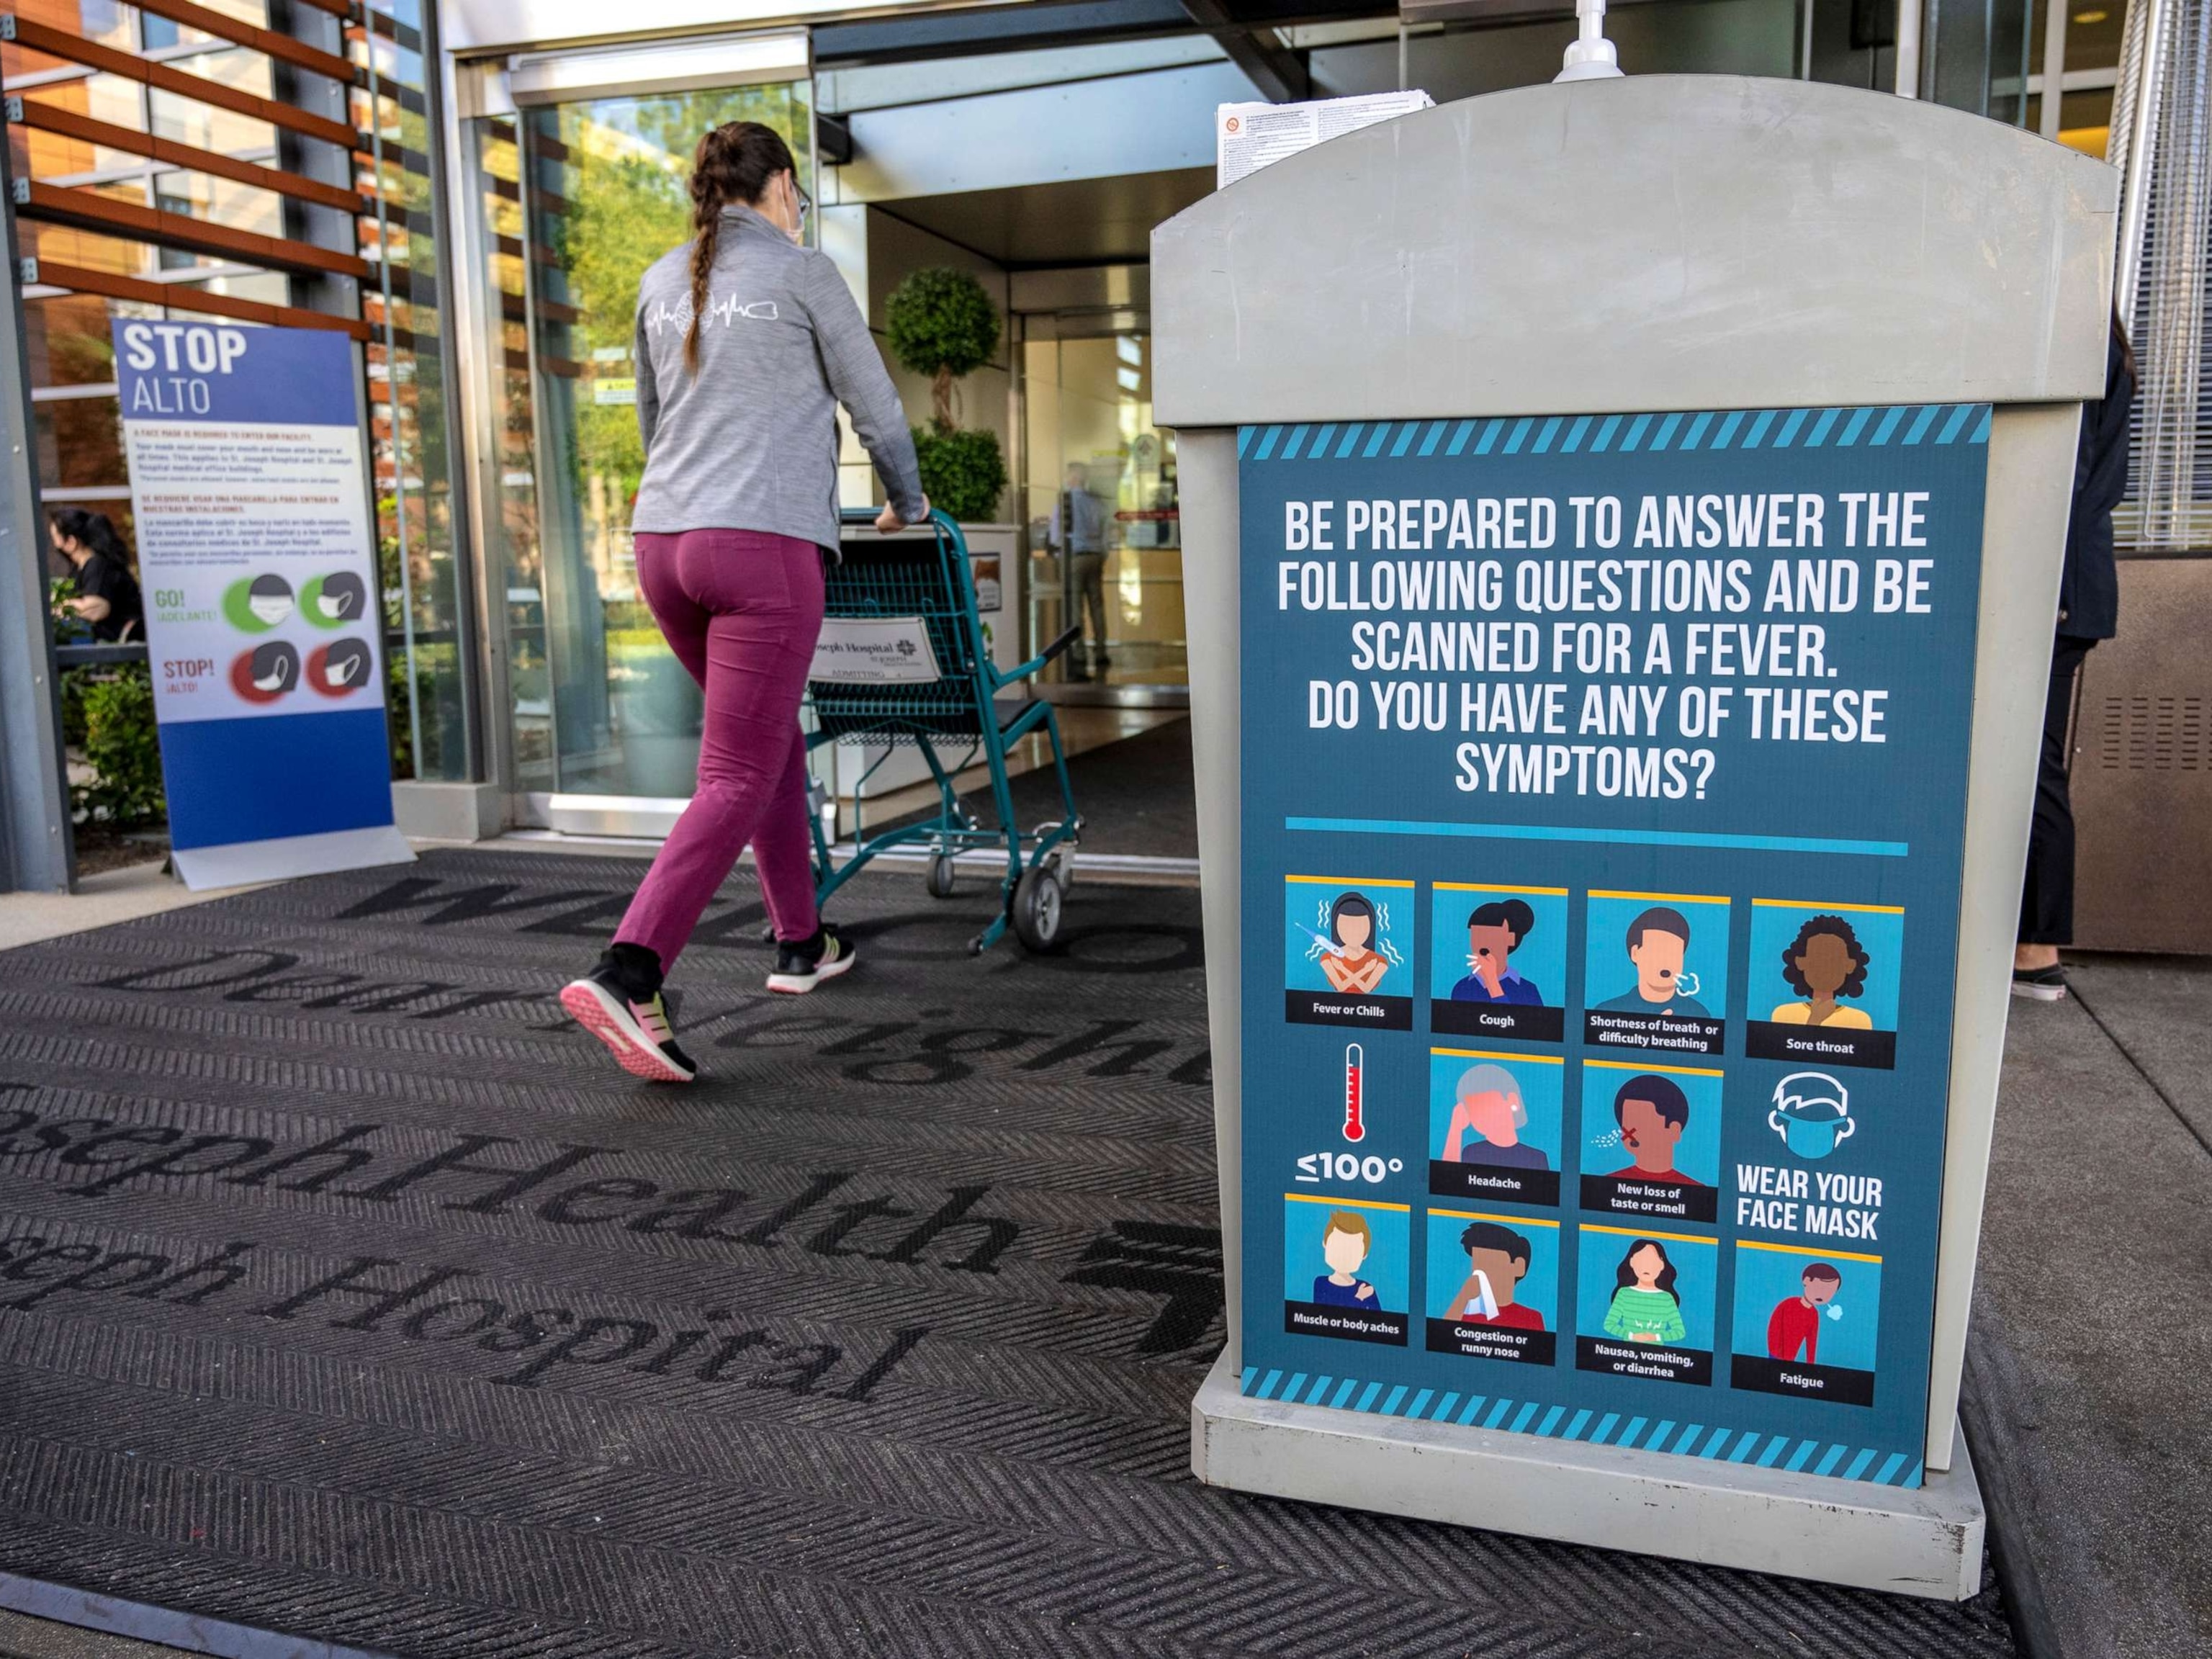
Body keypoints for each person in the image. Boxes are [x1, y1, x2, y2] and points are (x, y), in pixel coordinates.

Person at [561, 121, 928, 1084]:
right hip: (761, 545)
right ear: (782, 189)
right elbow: (878, 407)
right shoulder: (803, 273)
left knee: (766, 746)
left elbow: (651, 426)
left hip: (664, 544)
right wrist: (909, 499)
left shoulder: (657, 279)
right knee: (735, 768)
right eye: (796, 195)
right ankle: (629, 968)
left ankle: (801, 938)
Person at [2016, 311, 2136, 1001]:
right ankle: (2028, 943)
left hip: (2057, 587)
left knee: (2035, 769)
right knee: (2031, 765)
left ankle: (2037, 949)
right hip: (2065, 585)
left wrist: (2052, 592)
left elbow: (2069, 476)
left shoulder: (2076, 343)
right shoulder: (2096, 343)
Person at [1047, 462, 1110, 678]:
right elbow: (1106, 530)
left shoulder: (1065, 499)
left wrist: (1057, 556)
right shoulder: (1096, 500)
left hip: (1075, 558)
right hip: (1095, 557)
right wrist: (1102, 554)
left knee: (1075, 608)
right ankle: (1101, 651)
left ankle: (1079, 653)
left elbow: (1056, 533)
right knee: (1097, 606)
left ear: (1074, 476)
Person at [1593, 906, 1709, 1017]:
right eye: (1656, 951)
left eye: (1674, 952)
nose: (1666, 961)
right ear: (1635, 953)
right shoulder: (1608, 1011)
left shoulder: (1698, 1013)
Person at [48, 509, 143, 643]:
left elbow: (97, 608)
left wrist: (62, 607)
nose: (55, 546)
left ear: (71, 542)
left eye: (56, 539)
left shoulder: (98, 565)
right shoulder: (79, 569)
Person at [1439, 1061, 1550, 1172]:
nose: (1483, 1117)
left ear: (1513, 1101)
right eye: (1474, 1110)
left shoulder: (1537, 1158)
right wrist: (1456, 1129)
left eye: (1490, 1105)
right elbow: (1448, 1178)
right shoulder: (1471, 1152)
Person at [1767, 914, 1874, 1028]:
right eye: (1817, 957)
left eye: (1834, 959)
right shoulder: (1783, 1014)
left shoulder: (1860, 1020)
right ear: (1801, 963)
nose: (1825, 967)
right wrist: (1815, 1019)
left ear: (1849, 965)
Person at [1444, 1220, 1546, 1331]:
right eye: (1478, 1264)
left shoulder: (1531, 1318)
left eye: (1491, 1263)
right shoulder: (1462, 1311)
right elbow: (1442, 1337)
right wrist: (1463, 1297)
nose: (1481, 1273)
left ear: (1518, 1267)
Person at [1604, 1073, 1703, 1186]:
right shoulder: (1607, 1182)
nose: (1631, 1133)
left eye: (1642, 1122)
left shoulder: (1695, 1188)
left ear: (1674, 1130)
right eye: (1627, 1122)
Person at [1449, 897, 1544, 1004]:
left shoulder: (1528, 990)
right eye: (1477, 935)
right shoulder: (1462, 987)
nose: (1482, 942)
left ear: (1511, 939)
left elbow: (1520, 1020)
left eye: (1492, 935)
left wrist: (1492, 983)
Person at [1601, 1238, 1686, 1345]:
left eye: (1652, 1261)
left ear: (1662, 1265)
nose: (1647, 1266)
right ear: (1632, 1262)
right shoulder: (1624, 1294)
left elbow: (1679, 1332)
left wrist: (1655, 1337)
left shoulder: (1667, 1298)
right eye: (1641, 1260)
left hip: (1658, 1356)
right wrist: (1632, 1336)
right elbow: (1609, 1324)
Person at [1316, 891, 1390, 995]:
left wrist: (1342, 969)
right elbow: (1341, 987)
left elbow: (1366, 989)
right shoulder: (1327, 959)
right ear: (1336, 927)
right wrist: (1365, 970)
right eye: (1346, 927)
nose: (1353, 933)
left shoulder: (1380, 961)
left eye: (1361, 926)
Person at [1766, 1262, 1842, 1362]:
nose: (1822, 1294)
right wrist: (1777, 1355)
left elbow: (1812, 1340)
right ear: (1806, 1281)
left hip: (1791, 1357)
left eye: (1830, 1291)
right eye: (1819, 1287)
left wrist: (1810, 1364)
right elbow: (1774, 1330)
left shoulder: (1814, 1313)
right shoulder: (1788, 1304)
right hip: (1777, 1356)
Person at [1310, 1210, 1380, 1308]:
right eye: (1337, 1246)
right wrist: (1358, 1297)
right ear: (1325, 1244)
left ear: (1364, 1255)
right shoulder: (1321, 1282)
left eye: (1353, 1251)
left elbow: (1380, 1320)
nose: (1344, 1256)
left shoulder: (1366, 1288)